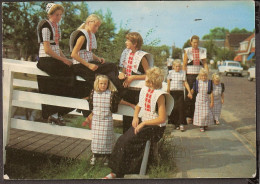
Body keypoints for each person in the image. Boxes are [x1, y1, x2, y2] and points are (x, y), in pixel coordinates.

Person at [104, 67, 169, 179]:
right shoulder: (145, 89)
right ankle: (117, 171)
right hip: (144, 123)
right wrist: (135, 117)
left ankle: (119, 172)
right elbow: (139, 105)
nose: (146, 79)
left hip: (155, 127)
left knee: (128, 140)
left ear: (153, 81)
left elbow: (162, 119)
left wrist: (143, 124)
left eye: (148, 78)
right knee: (123, 139)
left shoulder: (160, 96)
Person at [70, 14, 125, 124]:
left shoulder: (89, 35)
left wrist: (98, 58)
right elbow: (74, 54)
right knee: (112, 67)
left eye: (98, 26)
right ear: (89, 23)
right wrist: (89, 65)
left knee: (109, 69)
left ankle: (114, 93)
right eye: (95, 26)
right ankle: (118, 92)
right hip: (80, 66)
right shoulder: (82, 36)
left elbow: (87, 52)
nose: (97, 29)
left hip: (87, 63)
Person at [36, 3, 75, 126]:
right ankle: (55, 112)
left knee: (72, 69)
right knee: (67, 76)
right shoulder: (46, 26)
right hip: (46, 60)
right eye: (56, 14)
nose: (58, 17)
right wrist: (63, 61)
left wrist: (67, 60)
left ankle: (58, 112)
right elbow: (47, 50)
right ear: (50, 14)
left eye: (60, 15)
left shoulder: (56, 27)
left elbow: (57, 48)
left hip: (54, 59)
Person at [118, 32, 153, 133]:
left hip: (138, 92)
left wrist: (133, 77)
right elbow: (124, 71)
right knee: (126, 119)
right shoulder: (127, 54)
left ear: (135, 43)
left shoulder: (142, 57)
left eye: (128, 40)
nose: (126, 42)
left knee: (137, 118)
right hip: (127, 90)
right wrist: (122, 74)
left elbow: (149, 75)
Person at [88, 75, 121, 166]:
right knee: (96, 138)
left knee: (107, 137)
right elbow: (91, 106)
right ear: (97, 83)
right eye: (101, 83)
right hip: (96, 120)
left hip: (107, 120)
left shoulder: (111, 94)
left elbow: (114, 108)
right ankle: (94, 155)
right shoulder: (93, 93)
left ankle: (107, 156)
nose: (103, 85)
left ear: (108, 84)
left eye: (105, 84)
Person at [183, 35, 208, 124]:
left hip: (199, 75)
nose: (195, 44)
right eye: (194, 42)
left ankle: (196, 115)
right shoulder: (187, 51)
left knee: (198, 95)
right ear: (191, 43)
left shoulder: (202, 50)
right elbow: (184, 64)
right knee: (190, 95)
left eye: (197, 42)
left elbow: (205, 64)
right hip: (190, 75)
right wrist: (184, 76)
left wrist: (207, 74)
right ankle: (189, 115)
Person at [167, 59, 192, 132]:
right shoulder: (170, 73)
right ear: (173, 67)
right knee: (174, 108)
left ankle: (181, 124)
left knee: (181, 108)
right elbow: (168, 83)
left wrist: (189, 92)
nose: (178, 68)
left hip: (180, 92)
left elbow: (185, 83)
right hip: (172, 92)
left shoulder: (183, 73)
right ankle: (176, 124)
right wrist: (168, 91)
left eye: (179, 66)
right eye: (176, 66)